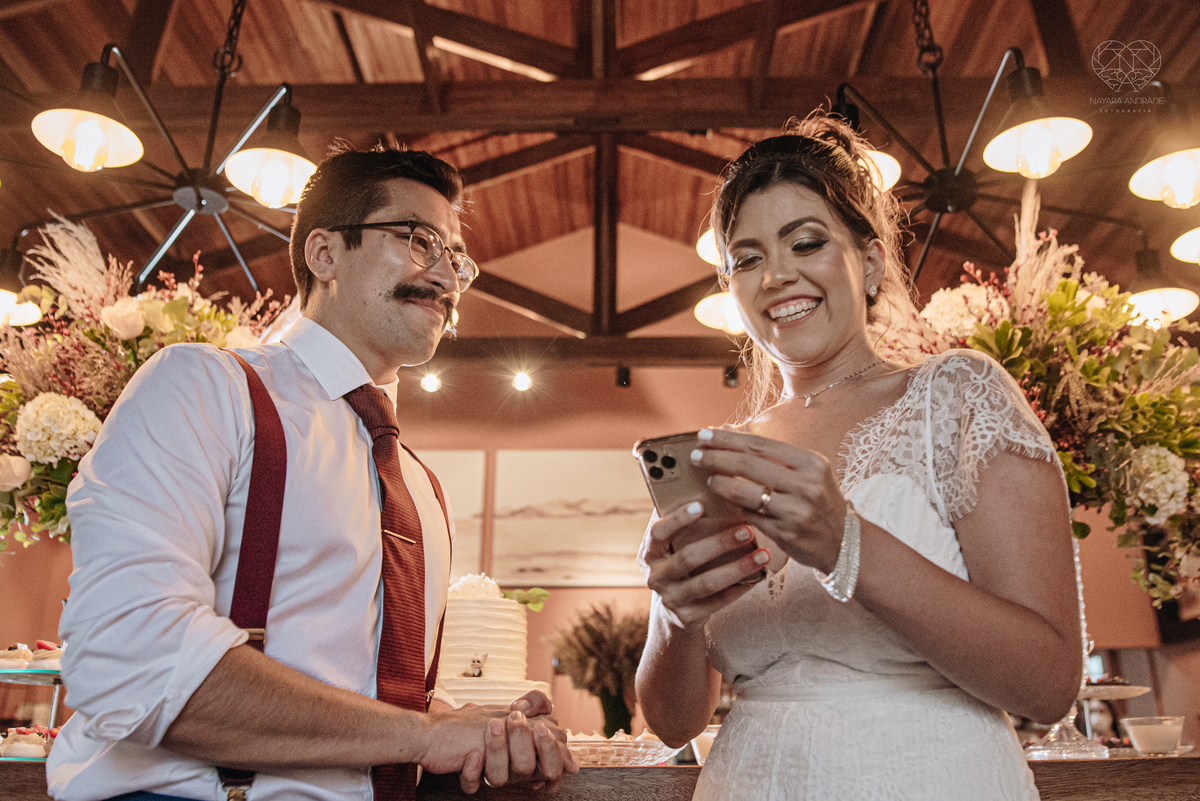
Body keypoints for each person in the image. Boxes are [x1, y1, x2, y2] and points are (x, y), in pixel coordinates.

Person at [47, 146, 576, 800]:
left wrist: (477, 728)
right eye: (419, 241)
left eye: (457, 258)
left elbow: (363, 697)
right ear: (324, 253)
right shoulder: (205, 388)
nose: (447, 276)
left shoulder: (419, 485)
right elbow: (130, 659)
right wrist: (424, 734)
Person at [635, 115, 1081, 799]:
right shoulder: (724, 457)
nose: (776, 275)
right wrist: (675, 613)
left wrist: (845, 543)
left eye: (805, 242)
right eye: (746, 259)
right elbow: (672, 724)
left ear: (870, 262)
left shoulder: (957, 397)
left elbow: (1048, 684)